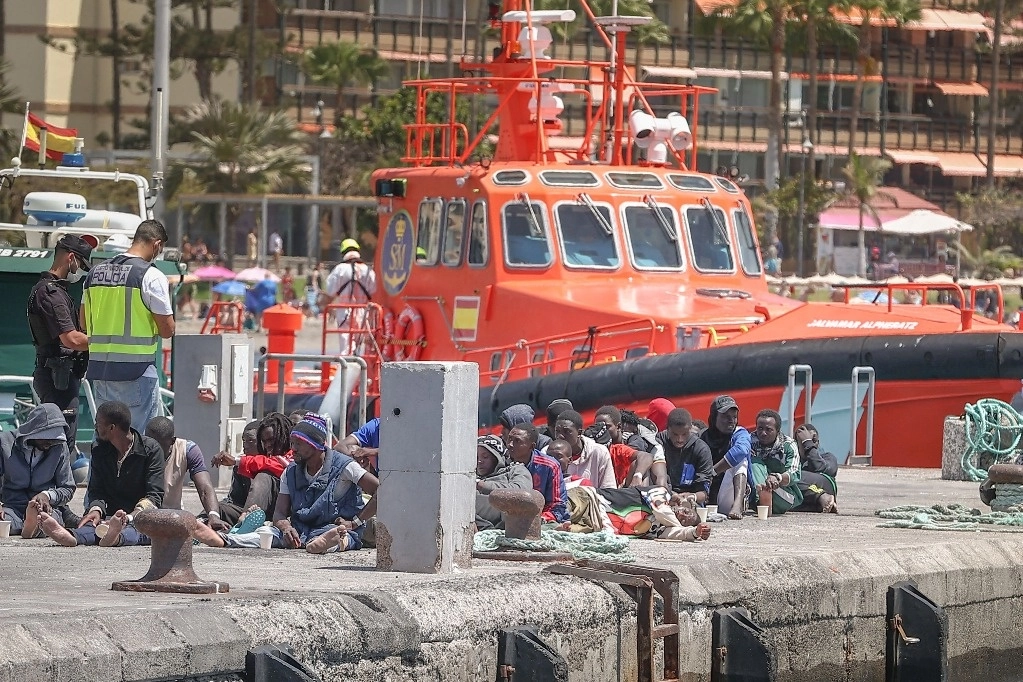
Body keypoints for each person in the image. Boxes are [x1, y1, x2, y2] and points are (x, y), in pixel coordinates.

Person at [194, 413, 378, 553]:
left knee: (343, 537)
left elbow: (381, 490)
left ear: (314, 445)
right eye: (292, 442)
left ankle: (327, 543)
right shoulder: (290, 471)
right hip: (301, 530)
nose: (293, 449)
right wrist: (286, 527)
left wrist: (355, 521)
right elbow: (280, 513)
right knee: (266, 536)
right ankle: (223, 540)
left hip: (335, 527)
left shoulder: (345, 466)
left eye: (298, 443)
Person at [82, 219, 174, 434]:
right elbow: (167, 330)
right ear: (157, 244)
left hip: (102, 372)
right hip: (136, 372)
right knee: (139, 443)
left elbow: (83, 323)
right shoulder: (150, 275)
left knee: (106, 441)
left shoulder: (94, 274)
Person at [37, 401, 165, 547]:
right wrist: (95, 510)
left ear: (112, 428)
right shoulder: (99, 450)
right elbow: (96, 490)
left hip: (139, 518)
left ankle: (116, 537)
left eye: (98, 422)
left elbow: (154, 497)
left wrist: (127, 518)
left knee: (142, 532)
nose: (95, 426)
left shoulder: (151, 450)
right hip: (109, 518)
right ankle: (71, 537)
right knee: (92, 526)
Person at [27, 235, 93, 446]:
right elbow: (71, 339)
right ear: (70, 258)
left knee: (61, 440)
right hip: (58, 379)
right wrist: (108, 342)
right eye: (81, 264)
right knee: (61, 442)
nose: (80, 270)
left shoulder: (56, 291)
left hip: (61, 376)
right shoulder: (50, 293)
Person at [0, 404, 76, 538]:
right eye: (46, 437)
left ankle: (33, 525)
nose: (50, 443)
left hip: (45, 509)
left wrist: (47, 495)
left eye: (54, 439)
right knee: (3, 524)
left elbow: (67, 487)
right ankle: (31, 527)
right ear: (33, 431)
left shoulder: (59, 447)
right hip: (12, 506)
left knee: (51, 523)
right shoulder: (5, 443)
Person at [212, 413, 294, 526]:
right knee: (219, 507)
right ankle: (199, 526)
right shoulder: (247, 464)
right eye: (264, 441)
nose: (268, 445)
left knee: (264, 475)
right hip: (254, 512)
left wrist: (237, 461)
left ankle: (244, 521)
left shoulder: (293, 454)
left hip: (283, 513)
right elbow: (236, 501)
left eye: (271, 440)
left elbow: (278, 465)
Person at [144, 417, 224, 528]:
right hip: (143, 516)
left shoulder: (188, 450)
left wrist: (214, 516)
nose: (153, 449)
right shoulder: (138, 448)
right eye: (150, 443)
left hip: (172, 516)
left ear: (172, 441)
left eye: (159, 446)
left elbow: (204, 487)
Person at [701, 395, 752, 519]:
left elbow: (742, 450)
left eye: (734, 417)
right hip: (707, 495)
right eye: (725, 417)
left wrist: (713, 472)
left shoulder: (740, 433)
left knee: (741, 459)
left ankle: (737, 505)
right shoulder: (702, 436)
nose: (731, 421)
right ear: (714, 418)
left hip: (729, 494)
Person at [323, 239, 377, 356]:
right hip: (363, 313)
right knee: (359, 346)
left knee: (346, 346)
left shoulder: (340, 270)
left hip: (344, 312)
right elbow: (374, 293)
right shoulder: (368, 271)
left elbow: (330, 293)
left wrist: (326, 308)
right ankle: (359, 369)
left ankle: (346, 370)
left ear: (343, 253)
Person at [506, 423, 568, 523]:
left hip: (542, 519)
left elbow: (557, 504)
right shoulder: (501, 463)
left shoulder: (549, 466)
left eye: (517, 441)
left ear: (532, 446)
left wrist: (541, 519)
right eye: (509, 439)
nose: (510, 444)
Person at [594, 405, 666, 487]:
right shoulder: (596, 443)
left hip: (639, 480)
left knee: (639, 465)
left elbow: (644, 456)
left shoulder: (633, 442)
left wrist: (637, 476)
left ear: (619, 427)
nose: (602, 430)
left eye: (607, 426)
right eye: (598, 426)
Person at [749, 409, 803, 516]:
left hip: (784, 495)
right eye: (760, 428)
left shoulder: (788, 445)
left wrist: (777, 478)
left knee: (756, 465)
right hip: (754, 490)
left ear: (777, 431)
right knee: (753, 462)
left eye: (768, 430)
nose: (763, 433)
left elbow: (795, 473)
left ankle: (763, 499)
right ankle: (761, 498)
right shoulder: (749, 441)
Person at [475, 434, 532, 531]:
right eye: (476, 457)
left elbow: (522, 492)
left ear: (496, 456)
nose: (480, 461)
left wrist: (483, 486)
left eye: (485, 457)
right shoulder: (472, 476)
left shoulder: (515, 470)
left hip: (505, 514)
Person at [656, 408, 714, 502]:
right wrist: (670, 494)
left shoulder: (701, 449)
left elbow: (704, 492)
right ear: (667, 429)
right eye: (675, 434)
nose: (680, 439)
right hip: (661, 494)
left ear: (690, 428)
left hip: (690, 500)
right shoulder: (658, 442)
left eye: (684, 434)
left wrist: (692, 496)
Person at [555, 410, 616, 489]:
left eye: (567, 431)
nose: (560, 436)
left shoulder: (599, 452)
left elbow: (609, 489)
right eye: (557, 431)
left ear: (579, 433)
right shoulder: (548, 453)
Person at [791, 423, 839, 513]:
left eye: (814, 440)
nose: (812, 443)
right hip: (804, 496)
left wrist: (807, 443)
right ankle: (820, 503)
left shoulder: (828, 457)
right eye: (803, 440)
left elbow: (820, 468)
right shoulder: (792, 461)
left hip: (825, 487)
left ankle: (823, 496)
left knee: (793, 476)